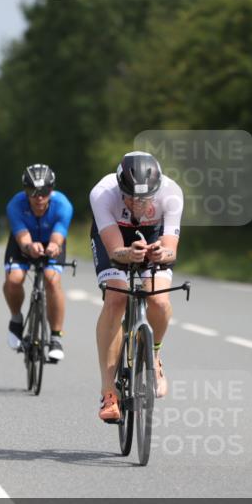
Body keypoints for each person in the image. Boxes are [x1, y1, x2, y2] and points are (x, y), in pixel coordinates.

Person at [90, 151, 183, 422]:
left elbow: (171, 251)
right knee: (116, 298)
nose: (138, 204)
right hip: (115, 238)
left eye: (145, 198)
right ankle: (109, 392)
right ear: (120, 188)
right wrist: (128, 254)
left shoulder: (171, 193)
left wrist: (159, 254)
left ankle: (153, 356)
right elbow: (115, 249)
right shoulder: (102, 193)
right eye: (131, 197)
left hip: (154, 235)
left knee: (159, 300)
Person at [3, 164, 73, 362]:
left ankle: (55, 337)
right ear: (25, 191)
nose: (39, 197)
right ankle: (16, 319)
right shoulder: (15, 205)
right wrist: (29, 248)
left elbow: (59, 234)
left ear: (52, 190)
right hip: (23, 242)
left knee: (52, 280)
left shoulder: (63, 205)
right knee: (14, 279)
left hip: (52, 240)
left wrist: (54, 246)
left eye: (44, 191)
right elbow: (22, 238)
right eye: (33, 192)